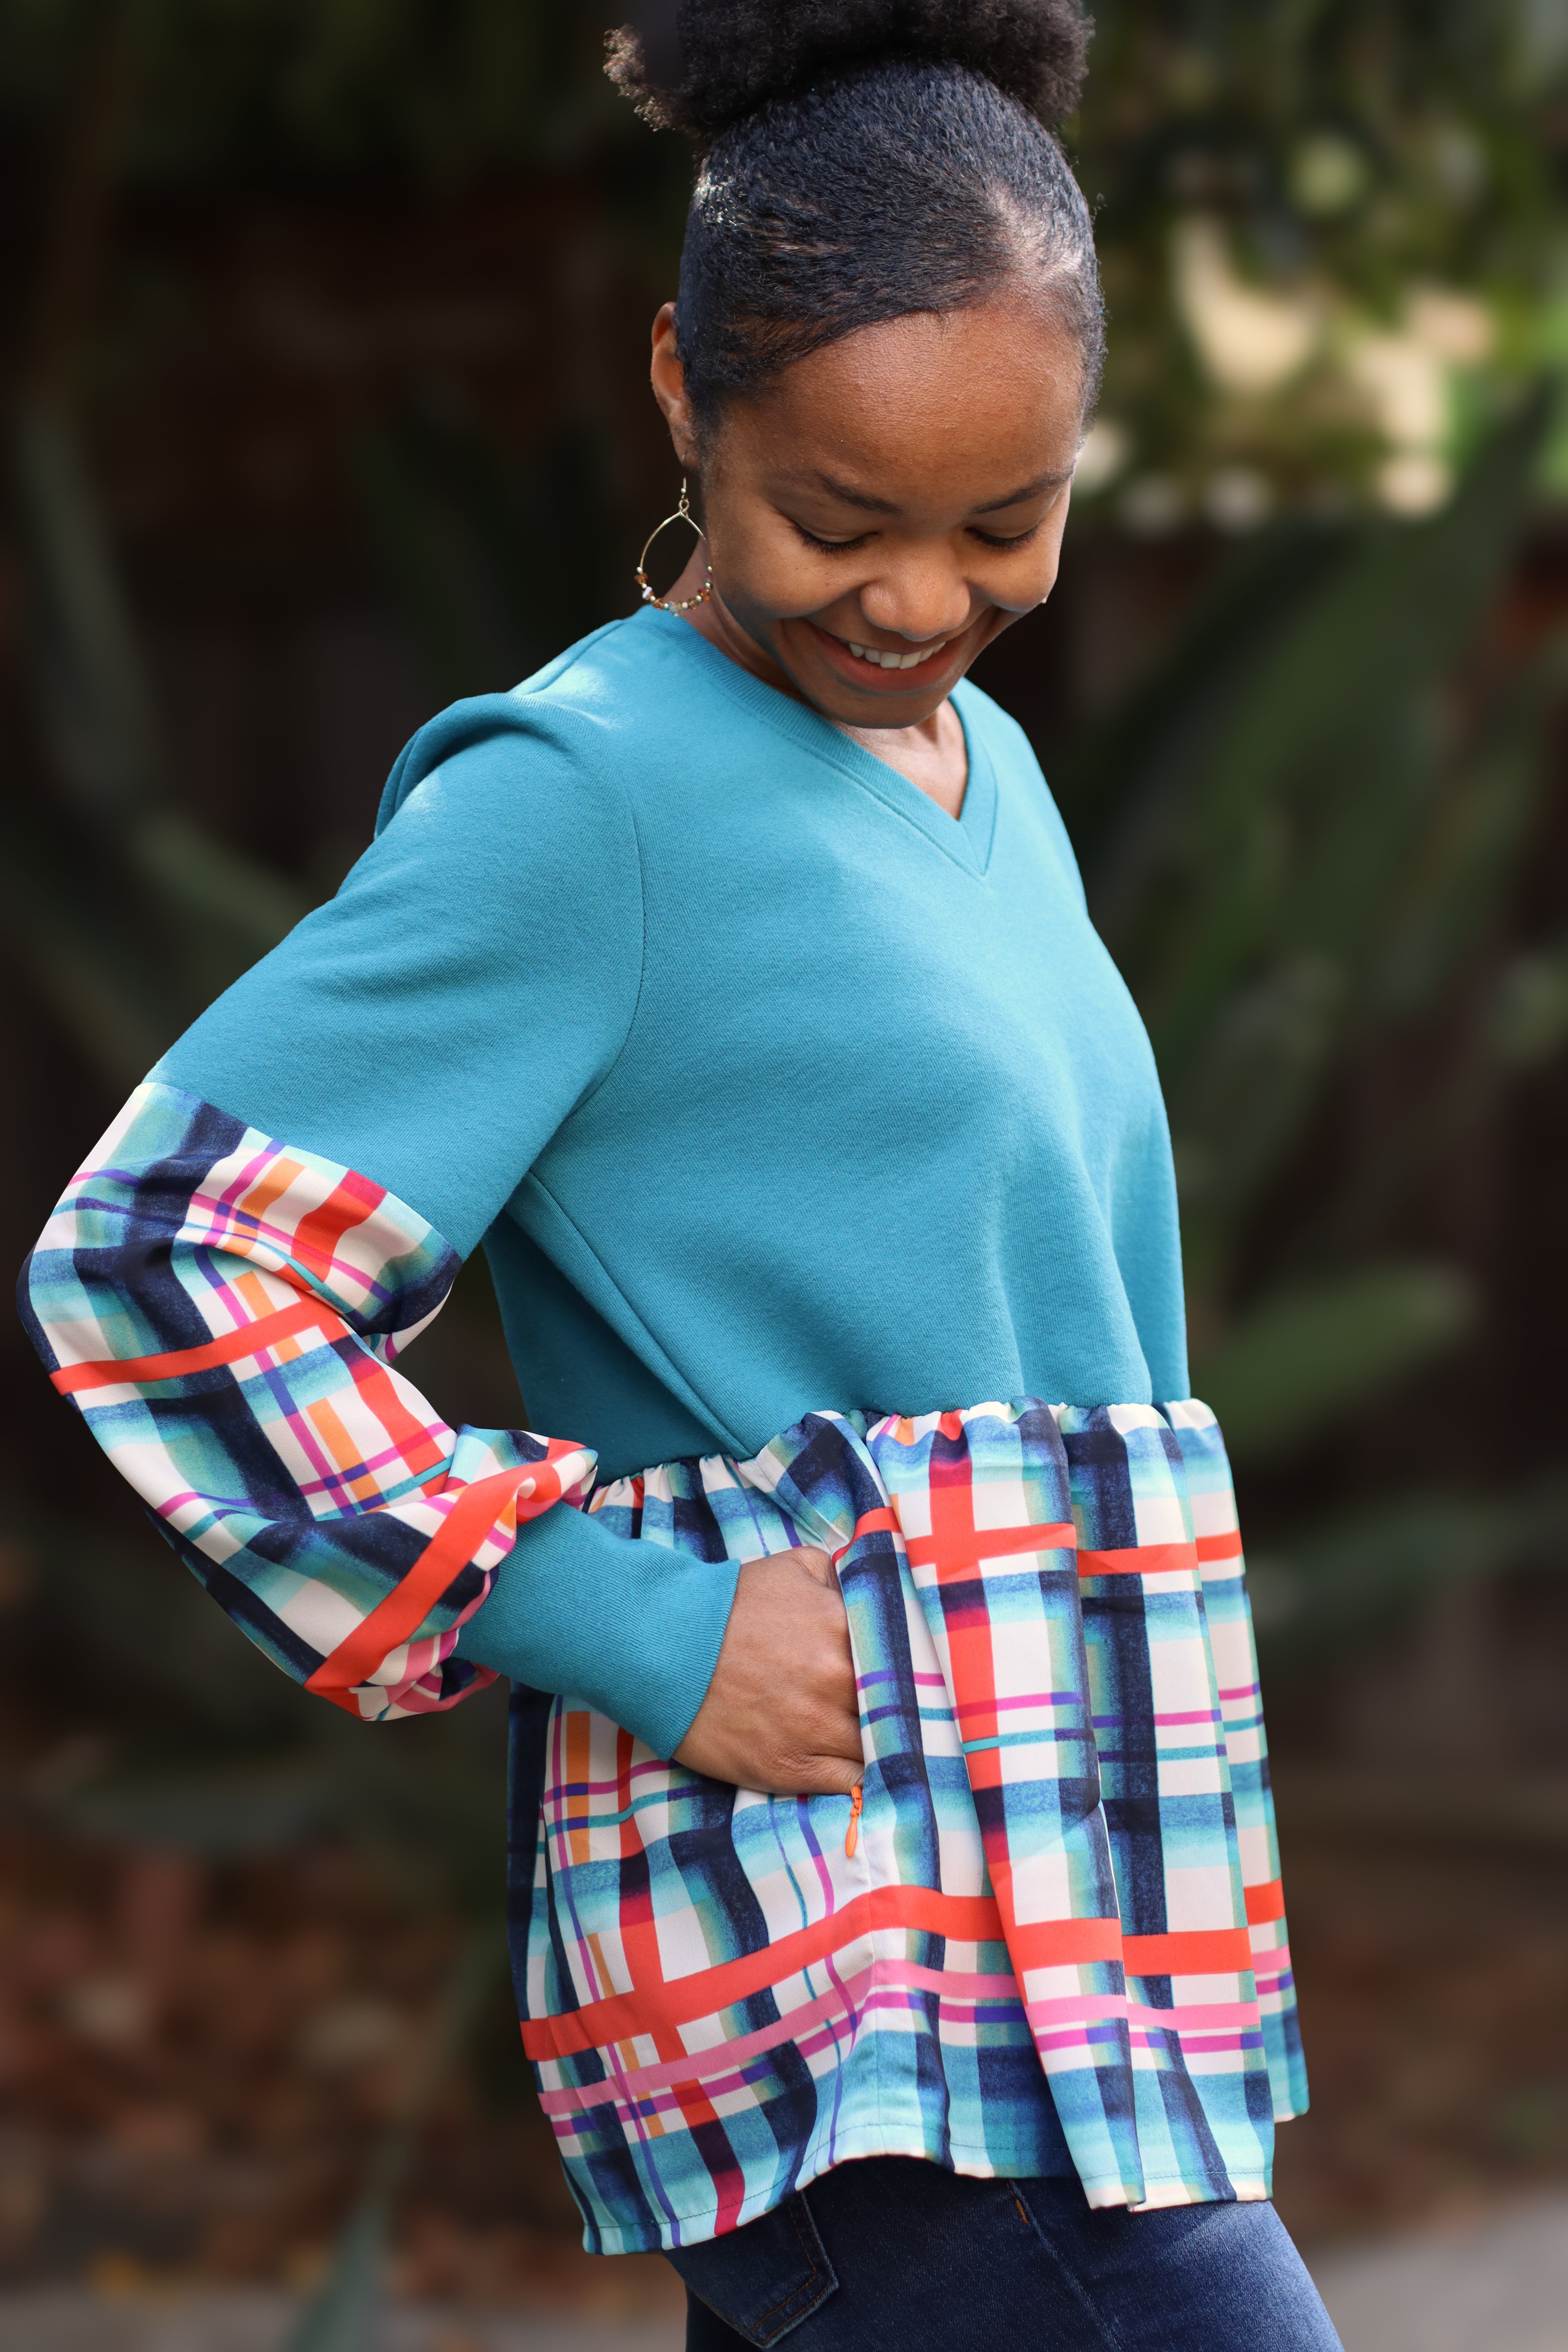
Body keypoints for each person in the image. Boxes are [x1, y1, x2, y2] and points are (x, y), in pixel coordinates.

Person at [19, 5, 1344, 2345]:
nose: (917, 599)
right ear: (678, 393)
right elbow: (160, 1262)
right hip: (862, 1988)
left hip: (1082, 1965)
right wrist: (628, 1619)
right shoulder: (585, 797)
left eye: (1001, 522)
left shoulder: (987, 777)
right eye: (837, 516)